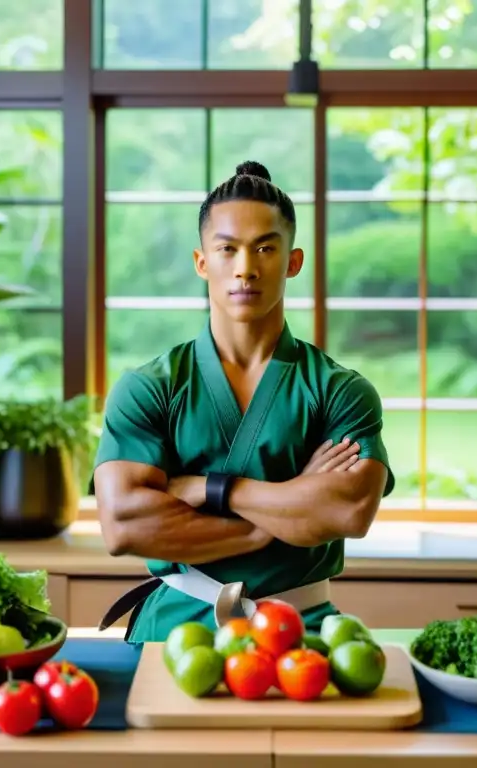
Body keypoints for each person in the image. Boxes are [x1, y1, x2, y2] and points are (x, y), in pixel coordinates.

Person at [92, 160, 395, 643]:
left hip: (302, 633)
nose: (246, 268)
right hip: (172, 629)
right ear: (202, 262)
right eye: (227, 249)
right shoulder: (150, 387)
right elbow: (124, 524)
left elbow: (348, 513)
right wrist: (282, 513)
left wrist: (207, 489)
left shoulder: (340, 390)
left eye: (265, 249)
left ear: (293, 262)